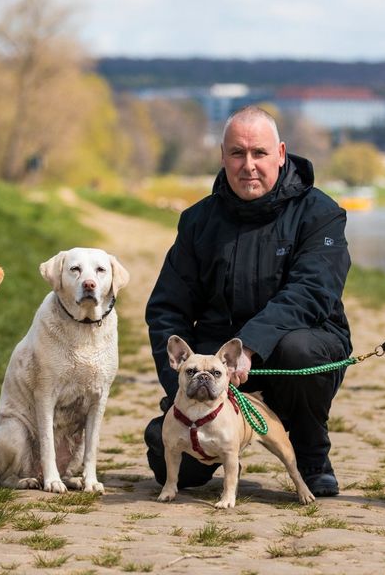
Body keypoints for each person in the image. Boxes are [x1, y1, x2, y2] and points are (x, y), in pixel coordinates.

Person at [144, 105, 352, 497]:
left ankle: (310, 454)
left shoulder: (322, 214)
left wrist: (252, 345)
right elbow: (166, 308)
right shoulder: (197, 221)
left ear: (281, 154)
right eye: (237, 154)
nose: (249, 165)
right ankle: (195, 436)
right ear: (223, 157)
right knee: (168, 462)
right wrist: (182, 381)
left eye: (259, 153)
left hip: (294, 353)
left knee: (300, 349)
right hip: (216, 368)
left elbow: (314, 291)